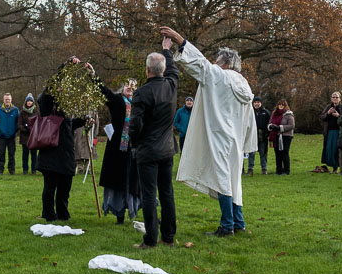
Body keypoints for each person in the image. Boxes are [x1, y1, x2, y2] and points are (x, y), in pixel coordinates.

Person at [162, 26, 255, 237]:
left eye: (218, 61)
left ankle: (227, 226)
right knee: (233, 180)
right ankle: (238, 222)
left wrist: (180, 40)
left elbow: (201, 65)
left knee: (223, 179)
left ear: (226, 63)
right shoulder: (245, 85)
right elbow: (250, 121)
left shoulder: (222, 77)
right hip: (236, 139)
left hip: (220, 136)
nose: (215, 63)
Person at [129, 45, 180, 248]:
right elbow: (174, 69)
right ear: (164, 69)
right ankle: (168, 237)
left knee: (149, 194)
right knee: (167, 193)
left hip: (148, 150)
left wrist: (135, 142)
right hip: (167, 148)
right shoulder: (171, 85)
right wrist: (167, 49)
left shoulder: (141, 93)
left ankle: (150, 239)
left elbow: (135, 124)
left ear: (147, 70)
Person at [36, 60, 87, 222]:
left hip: (65, 153)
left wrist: (83, 121)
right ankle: (49, 215)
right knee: (50, 187)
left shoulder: (63, 107)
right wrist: (66, 66)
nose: (62, 88)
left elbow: (67, 126)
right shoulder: (46, 103)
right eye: (60, 85)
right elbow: (51, 84)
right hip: (51, 151)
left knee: (65, 187)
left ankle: (63, 214)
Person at [97, 75, 141, 224]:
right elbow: (104, 90)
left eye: (133, 87)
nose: (130, 88)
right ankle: (119, 213)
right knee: (118, 182)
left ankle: (136, 209)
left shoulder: (139, 104)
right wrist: (93, 75)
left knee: (133, 182)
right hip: (117, 149)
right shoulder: (116, 101)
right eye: (127, 86)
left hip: (133, 149)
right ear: (122, 89)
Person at [0, 93, 19, 175]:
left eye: (9, 99)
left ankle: (12, 170)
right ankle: (0, 169)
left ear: (11, 100)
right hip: (1, 136)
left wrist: (15, 130)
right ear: (3, 100)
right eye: (6, 99)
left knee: (12, 154)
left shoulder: (16, 110)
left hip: (12, 136)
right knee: (1, 153)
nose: (7, 101)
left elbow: (19, 122)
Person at [320, 92, 342, 169]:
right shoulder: (328, 107)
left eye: (336, 97)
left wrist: (339, 116)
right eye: (333, 97)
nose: (335, 98)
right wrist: (328, 113)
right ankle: (333, 167)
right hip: (329, 132)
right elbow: (322, 117)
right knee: (330, 150)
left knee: (338, 150)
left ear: (340, 98)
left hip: (340, 132)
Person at [268, 100, 295, 176]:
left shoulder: (289, 114)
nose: (281, 106)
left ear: (285, 105)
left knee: (285, 153)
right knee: (277, 153)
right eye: (279, 104)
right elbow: (270, 123)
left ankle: (286, 170)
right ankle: (278, 170)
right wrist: (271, 126)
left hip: (286, 136)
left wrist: (279, 127)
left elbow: (291, 126)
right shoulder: (274, 114)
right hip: (276, 135)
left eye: (282, 105)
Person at [247, 98, 270, 175]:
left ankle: (264, 169)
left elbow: (269, 124)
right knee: (251, 153)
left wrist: (267, 134)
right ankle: (250, 169)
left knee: (263, 153)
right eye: (255, 102)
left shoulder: (266, 112)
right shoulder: (250, 112)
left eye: (258, 102)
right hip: (252, 136)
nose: (256, 104)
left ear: (261, 103)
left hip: (262, 137)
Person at [18, 93, 39, 175]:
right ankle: (25, 170)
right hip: (24, 137)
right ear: (25, 102)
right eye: (28, 101)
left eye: (30, 101)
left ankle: (34, 170)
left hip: (33, 136)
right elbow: (19, 124)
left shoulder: (36, 112)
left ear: (33, 102)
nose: (29, 102)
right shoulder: (22, 112)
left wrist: (33, 130)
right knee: (25, 155)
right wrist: (25, 129)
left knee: (34, 155)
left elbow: (39, 123)